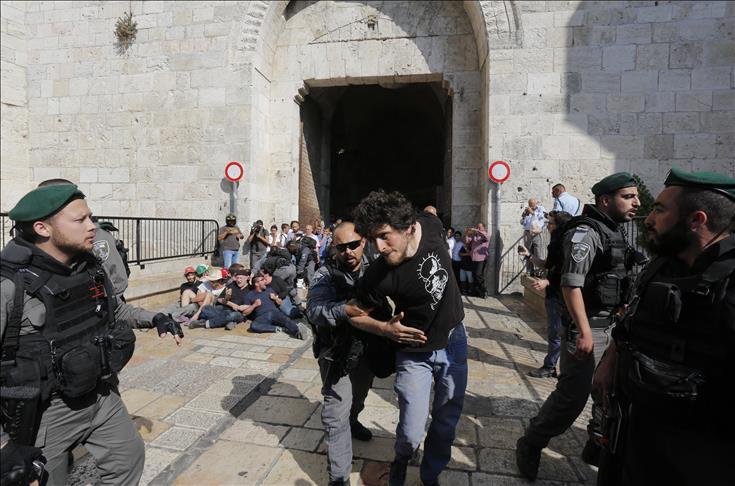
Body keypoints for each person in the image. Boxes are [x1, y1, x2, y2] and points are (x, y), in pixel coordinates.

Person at [0, 185, 183, 486]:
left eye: (91, 217)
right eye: (80, 220)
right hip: (46, 413)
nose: (92, 226)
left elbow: (115, 312)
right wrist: (4, 446)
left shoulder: (89, 267)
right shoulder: (10, 285)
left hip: (99, 394)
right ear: (42, 227)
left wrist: (157, 318)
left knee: (128, 457)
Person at [594, 168, 735, 486]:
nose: (647, 218)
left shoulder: (729, 283)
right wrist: (610, 360)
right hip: (636, 435)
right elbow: (631, 320)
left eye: (659, 209)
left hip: (697, 454)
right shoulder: (662, 265)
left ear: (696, 219)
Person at [516, 172, 640, 481]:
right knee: (572, 398)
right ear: (605, 200)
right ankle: (531, 442)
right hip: (590, 329)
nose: (636, 202)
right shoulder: (585, 233)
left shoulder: (614, 231)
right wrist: (584, 330)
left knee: (609, 393)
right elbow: (571, 286)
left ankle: (596, 444)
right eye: (628, 196)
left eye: (636, 196)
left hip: (611, 326)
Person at [350, 190, 467, 486]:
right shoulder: (379, 275)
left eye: (385, 236)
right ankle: (402, 460)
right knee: (411, 431)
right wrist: (385, 329)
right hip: (414, 353)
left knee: (445, 422)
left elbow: (430, 210)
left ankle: (431, 476)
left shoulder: (430, 226)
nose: (378, 247)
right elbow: (353, 313)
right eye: (372, 239)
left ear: (409, 227)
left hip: (454, 341)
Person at [307, 222, 387, 486]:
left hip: (366, 348)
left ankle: (353, 420)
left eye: (354, 245)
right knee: (335, 413)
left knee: (360, 394)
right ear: (335, 248)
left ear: (363, 242)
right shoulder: (325, 274)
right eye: (342, 247)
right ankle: (339, 478)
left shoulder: (377, 266)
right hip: (336, 352)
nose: (349, 252)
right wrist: (345, 310)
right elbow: (315, 310)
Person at [518, 211, 573, 378]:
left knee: (557, 333)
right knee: (556, 332)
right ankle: (556, 366)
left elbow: (565, 269)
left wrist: (547, 281)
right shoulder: (556, 242)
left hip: (559, 295)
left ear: (559, 225)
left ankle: (551, 367)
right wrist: (529, 256)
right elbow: (547, 265)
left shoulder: (565, 244)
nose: (548, 226)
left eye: (551, 223)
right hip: (555, 294)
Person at [234, 274, 308, 339]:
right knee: (254, 326)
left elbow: (280, 302)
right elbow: (245, 313)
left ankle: (297, 332)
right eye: (262, 280)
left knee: (286, 320)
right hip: (262, 316)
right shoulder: (249, 295)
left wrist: (275, 298)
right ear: (256, 284)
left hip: (274, 313)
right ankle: (279, 329)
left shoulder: (269, 290)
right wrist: (254, 305)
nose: (265, 281)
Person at [470, 223, 490, 297]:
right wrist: (467, 234)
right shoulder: (475, 236)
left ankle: (484, 290)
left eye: (479, 227)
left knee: (478, 274)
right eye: (477, 226)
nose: (478, 228)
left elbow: (486, 237)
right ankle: (477, 291)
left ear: (484, 228)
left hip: (481, 258)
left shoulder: (486, 234)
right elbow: (467, 241)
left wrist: (476, 230)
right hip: (474, 258)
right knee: (474, 275)